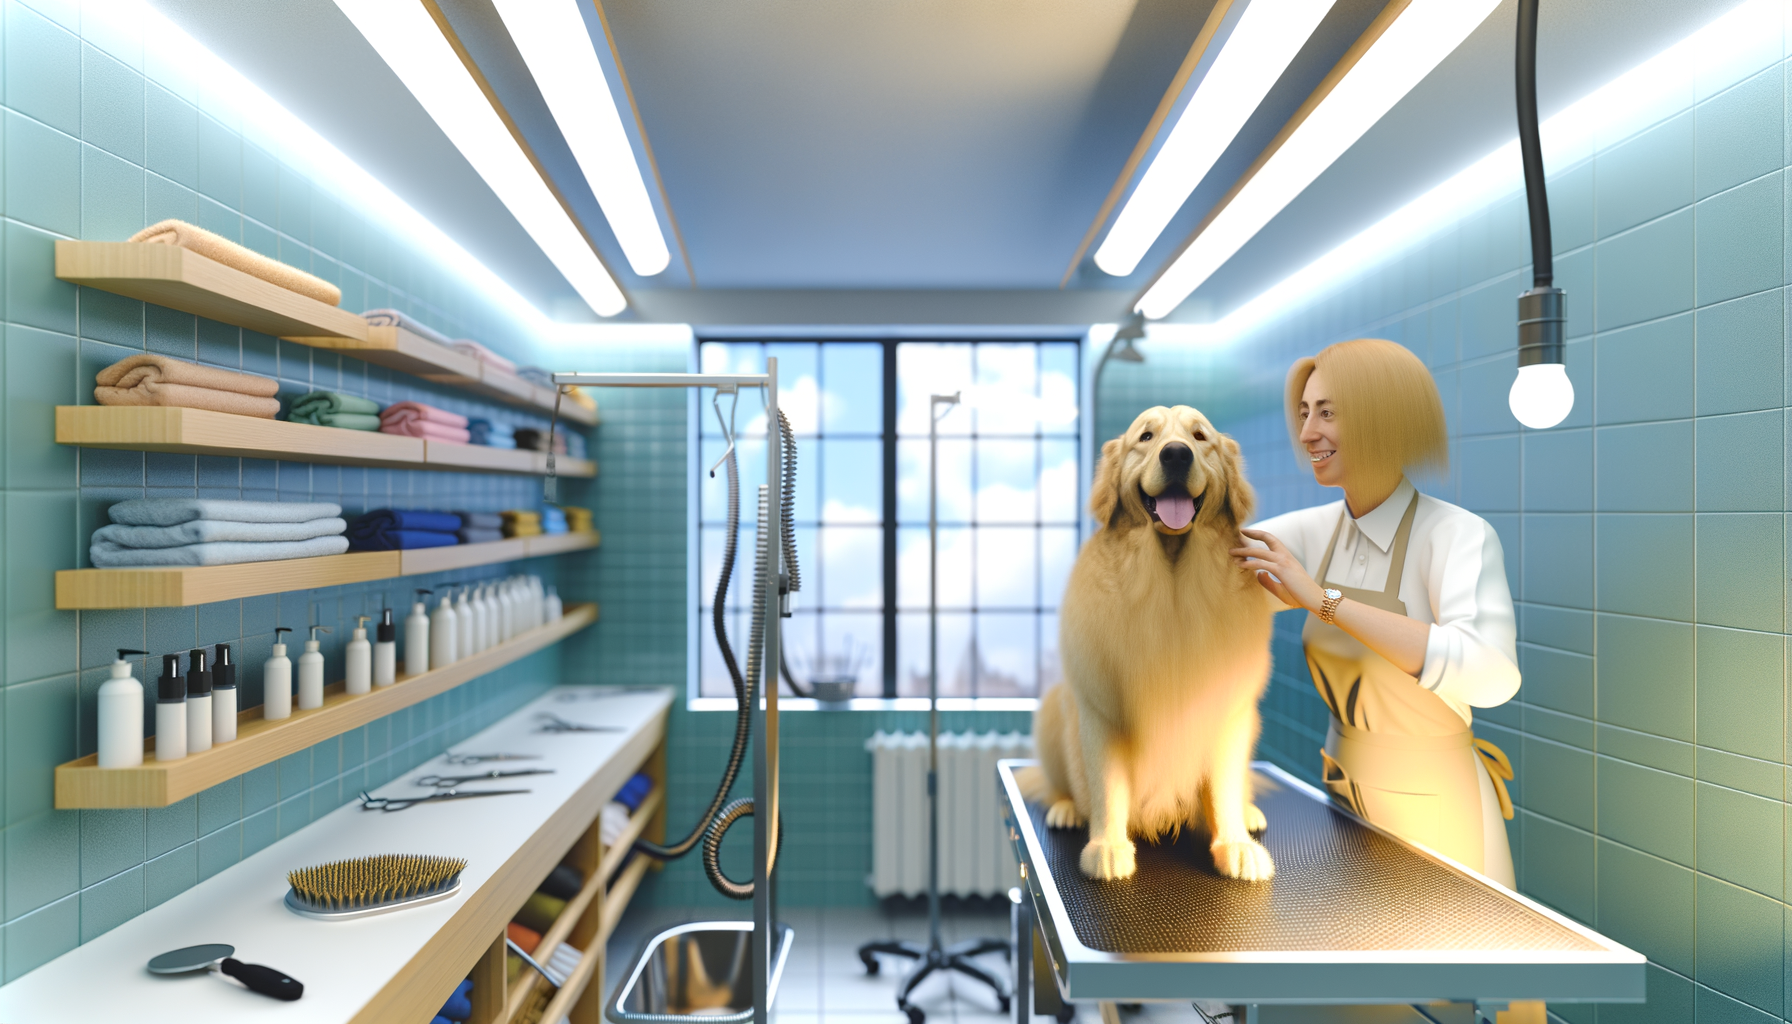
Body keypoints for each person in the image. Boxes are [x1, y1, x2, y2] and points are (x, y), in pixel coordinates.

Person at [1231, 338, 1520, 885]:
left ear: (1382, 419)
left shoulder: (1456, 536)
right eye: (1304, 413)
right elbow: (1211, 577)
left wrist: (1323, 601)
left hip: (1440, 812)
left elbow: (1493, 674)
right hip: (1345, 797)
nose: (1308, 433)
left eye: (1328, 413)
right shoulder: (1314, 533)